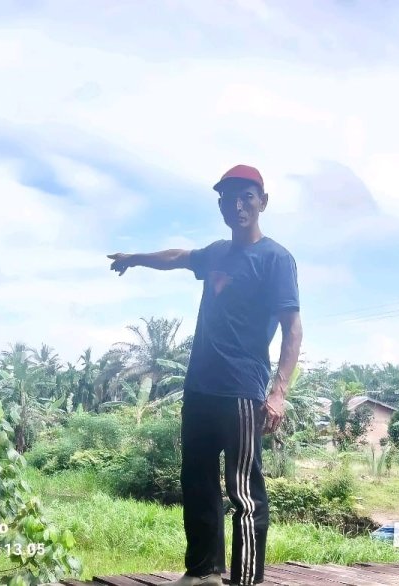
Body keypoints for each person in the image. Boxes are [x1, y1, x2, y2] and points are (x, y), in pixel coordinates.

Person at [106, 164, 302, 586]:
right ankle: (203, 571)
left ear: (262, 202)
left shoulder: (276, 259)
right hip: (198, 390)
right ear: (220, 206)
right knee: (197, 482)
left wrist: (278, 393)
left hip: (242, 393)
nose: (238, 204)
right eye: (229, 198)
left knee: (243, 491)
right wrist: (134, 258)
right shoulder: (215, 253)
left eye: (247, 196)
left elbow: (293, 329)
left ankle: (245, 580)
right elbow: (177, 258)